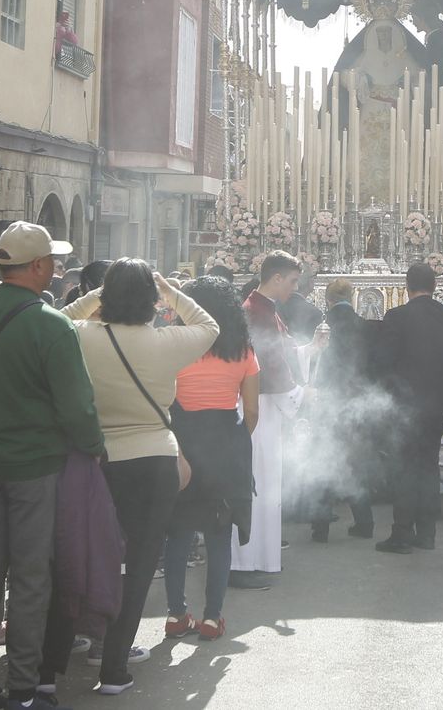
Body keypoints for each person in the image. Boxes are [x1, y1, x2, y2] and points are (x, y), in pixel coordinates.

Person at [0, 222, 105, 710]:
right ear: (37, 267)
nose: (57, 268)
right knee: (31, 580)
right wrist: (94, 445)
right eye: (52, 260)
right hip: (35, 469)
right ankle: (24, 689)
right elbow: (78, 407)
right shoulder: (51, 324)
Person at [64, 258, 217, 695]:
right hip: (154, 460)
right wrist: (169, 290)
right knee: (142, 561)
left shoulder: (83, 334)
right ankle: (113, 667)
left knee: (91, 554)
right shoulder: (165, 341)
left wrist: (96, 295)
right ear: (152, 300)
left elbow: (53, 318)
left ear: (106, 297)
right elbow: (209, 325)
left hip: (97, 458)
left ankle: (74, 643)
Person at [162, 277, 256, 641]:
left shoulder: (173, 345)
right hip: (224, 443)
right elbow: (251, 410)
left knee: (178, 533)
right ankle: (213, 618)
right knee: (219, 534)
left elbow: (163, 398)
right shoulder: (242, 349)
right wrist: (233, 443)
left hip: (181, 443)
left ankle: (175, 615)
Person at [375, 263, 443, 555]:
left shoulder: (397, 316)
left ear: (406, 286)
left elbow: (383, 361)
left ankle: (401, 534)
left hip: (406, 405)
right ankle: (427, 533)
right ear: (434, 286)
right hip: (437, 402)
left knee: (405, 468)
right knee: (429, 465)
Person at [234, 253, 305, 579]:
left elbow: (281, 350)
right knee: (257, 483)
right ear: (276, 278)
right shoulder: (257, 312)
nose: (294, 288)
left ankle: (259, 558)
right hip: (258, 406)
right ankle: (244, 562)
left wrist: (307, 352)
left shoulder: (263, 309)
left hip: (265, 405)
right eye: (292, 281)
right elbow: (269, 362)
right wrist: (300, 395)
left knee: (265, 484)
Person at [308, 277, 380, 540]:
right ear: (352, 298)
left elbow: (314, 363)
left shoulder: (324, 327)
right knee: (355, 462)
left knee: (324, 459)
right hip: (357, 400)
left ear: (328, 300)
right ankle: (365, 523)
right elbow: (373, 365)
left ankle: (321, 526)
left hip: (329, 399)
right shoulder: (365, 326)